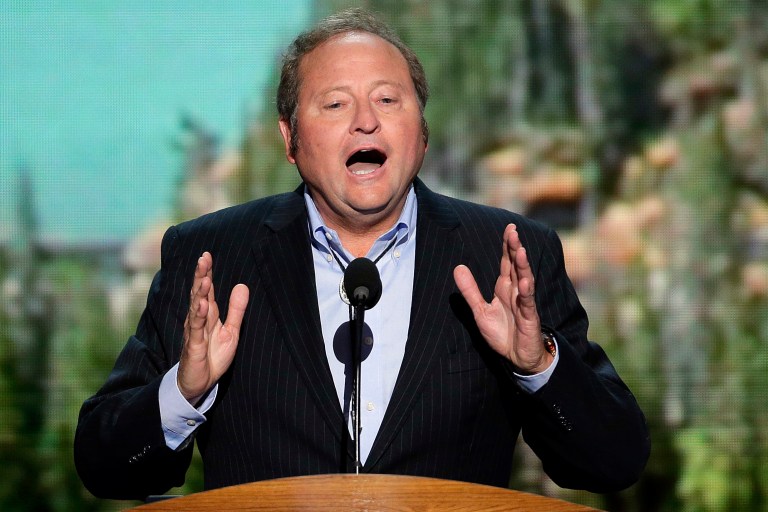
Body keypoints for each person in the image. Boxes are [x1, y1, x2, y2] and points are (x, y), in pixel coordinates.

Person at [74, 8, 650, 500]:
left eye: (387, 99)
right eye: (335, 105)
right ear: (290, 139)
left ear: (421, 133)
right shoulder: (212, 258)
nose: (366, 121)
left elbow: (613, 462)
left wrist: (539, 366)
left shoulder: (506, 255)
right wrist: (185, 389)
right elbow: (104, 465)